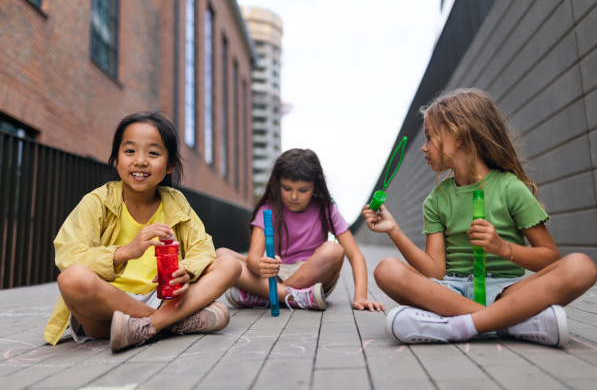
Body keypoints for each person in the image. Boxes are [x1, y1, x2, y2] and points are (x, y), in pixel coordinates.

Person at [363, 89, 597, 347]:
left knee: (581, 266)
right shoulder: (436, 199)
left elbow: (550, 257)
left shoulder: (510, 188)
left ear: (460, 136)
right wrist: (394, 230)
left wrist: (503, 248)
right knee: (386, 269)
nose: (424, 146)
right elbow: (436, 271)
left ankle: (458, 324)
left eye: (430, 136)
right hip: (451, 292)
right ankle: (511, 322)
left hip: (506, 292)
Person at [44, 112, 242, 352]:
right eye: (129, 151)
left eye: (153, 153)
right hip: (109, 308)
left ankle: (149, 327)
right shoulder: (97, 201)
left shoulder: (175, 201)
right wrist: (125, 252)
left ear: (169, 165)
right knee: (71, 278)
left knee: (230, 264)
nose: (140, 161)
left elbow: (203, 248)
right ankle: (175, 323)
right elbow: (68, 254)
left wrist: (187, 271)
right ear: (116, 159)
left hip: (163, 299)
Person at [217, 149, 384, 312]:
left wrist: (360, 296)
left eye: (303, 190)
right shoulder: (267, 209)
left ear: (315, 186)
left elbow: (355, 255)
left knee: (334, 249)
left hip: (313, 276)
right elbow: (253, 256)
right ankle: (290, 296)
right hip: (276, 272)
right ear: (278, 183)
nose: (294, 197)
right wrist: (260, 265)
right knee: (220, 254)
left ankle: (266, 295)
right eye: (287, 188)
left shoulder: (325, 209)